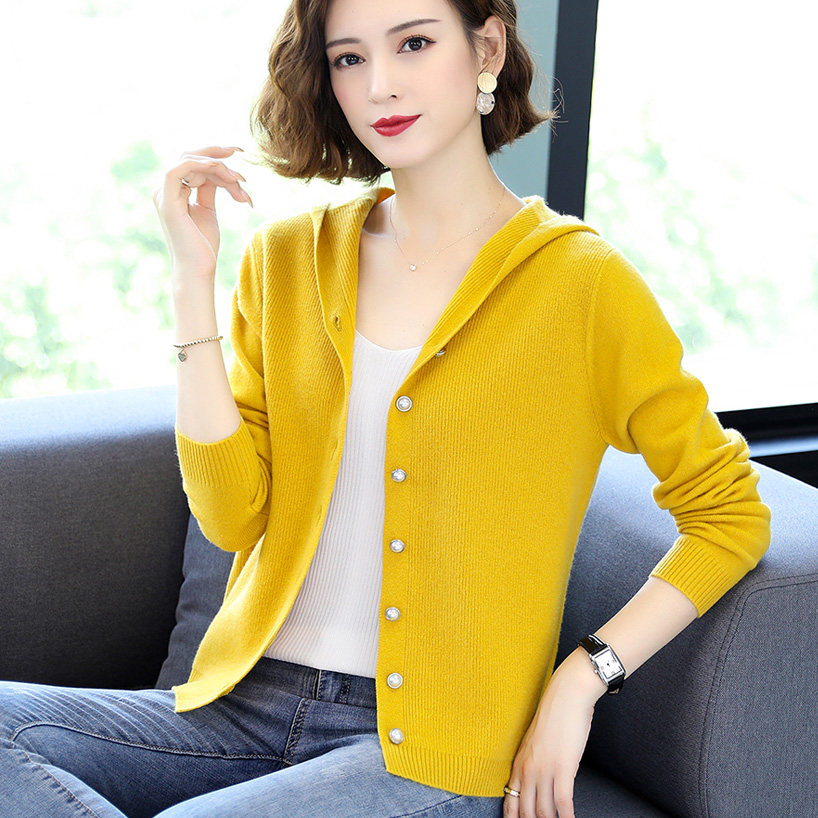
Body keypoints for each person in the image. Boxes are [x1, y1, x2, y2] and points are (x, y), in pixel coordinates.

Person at [0, 0, 772, 816]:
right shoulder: (285, 260)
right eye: (349, 58)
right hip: (244, 702)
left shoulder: (581, 286)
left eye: (414, 43)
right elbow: (231, 519)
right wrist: (192, 284)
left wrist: (584, 677)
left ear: (486, 47)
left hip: (425, 752)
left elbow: (728, 515)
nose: (380, 86)